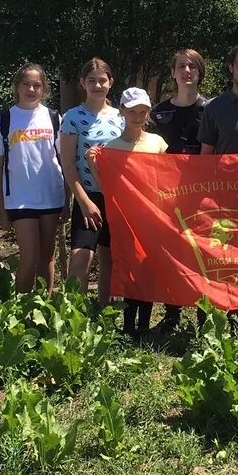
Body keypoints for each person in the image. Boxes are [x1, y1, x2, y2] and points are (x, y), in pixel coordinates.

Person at [90, 87, 169, 338]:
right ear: (122, 111)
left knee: (149, 269)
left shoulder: (157, 143)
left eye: (143, 112)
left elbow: (166, 181)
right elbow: (108, 190)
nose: (138, 117)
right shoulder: (112, 148)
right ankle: (127, 325)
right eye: (133, 111)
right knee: (128, 269)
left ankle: (144, 325)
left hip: (151, 219)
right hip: (125, 221)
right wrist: (94, 166)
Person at [0, 63, 68, 294]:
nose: (31, 90)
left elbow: (64, 161)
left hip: (51, 197)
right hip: (20, 199)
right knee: (29, 256)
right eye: (26, 84)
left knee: (47, 256)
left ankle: (44, 310)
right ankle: (22, 312)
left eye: (37, 85)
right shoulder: (3, 120)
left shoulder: (54, 118)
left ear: (44, 89)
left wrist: (67, 200)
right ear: (17, 87)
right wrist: (1, 209)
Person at [149, 48, 209, 333]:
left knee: (202, 256)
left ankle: (204, 313)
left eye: (192, 67)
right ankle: (172, 314)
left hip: (204, 196)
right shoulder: (159, 113)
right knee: (172, 256)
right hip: (167, 198)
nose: (187, 71)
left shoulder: (211, 109)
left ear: (200, 73)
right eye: (181, 66)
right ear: (173, 72)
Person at [60, 58, 124, 305]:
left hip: (115, 199)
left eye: (102, 80)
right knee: (80, 258)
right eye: (91, 81)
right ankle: (73, 315)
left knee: (109, 259)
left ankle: (103, 315)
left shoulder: (121, 118)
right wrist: (84, 201)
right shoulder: (72, 117)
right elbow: (68, 164)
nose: (97, 85)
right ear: (82, 83)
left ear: (111, 82)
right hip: (87, 196)